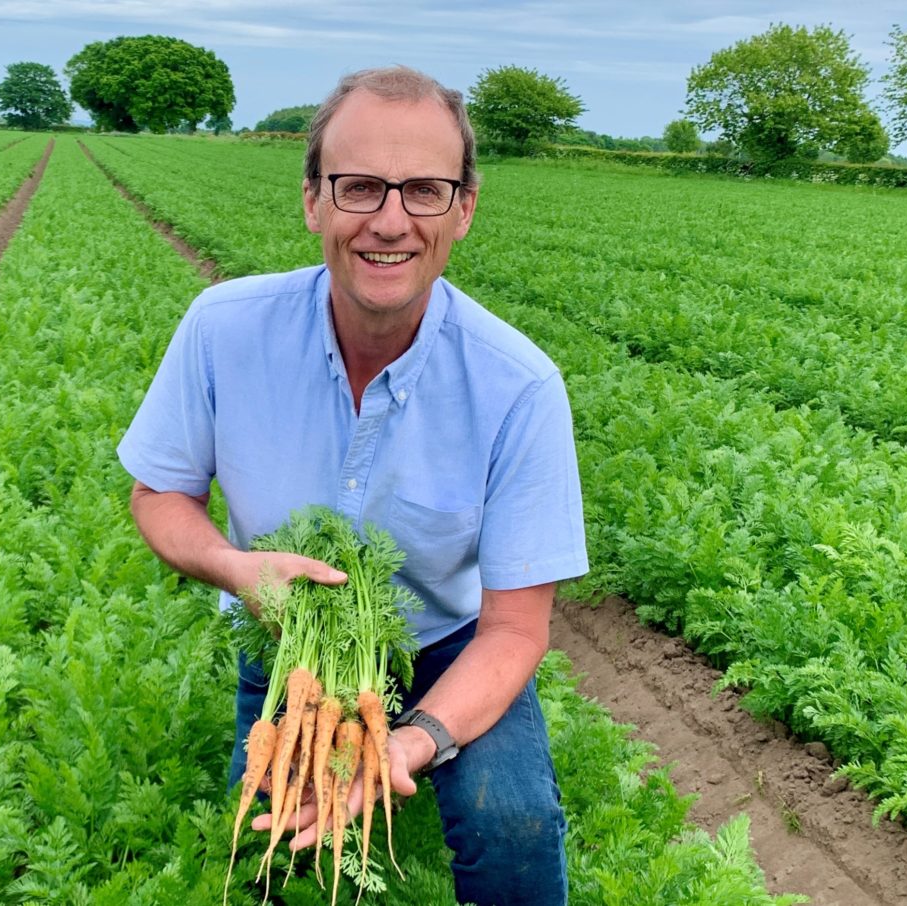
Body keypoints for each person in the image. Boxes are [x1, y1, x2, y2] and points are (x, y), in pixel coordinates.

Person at [116, 65, 588, 906]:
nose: (391, 221)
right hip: (290, 638)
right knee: (265, 840)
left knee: (509, 819)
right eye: (361, 187)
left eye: (425, 191)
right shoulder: (224, 329)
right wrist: (236, 570)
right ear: (313, 201)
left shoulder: (519, 386)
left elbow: (515, 631)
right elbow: (159, 494)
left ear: (464, 210)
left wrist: (410, 742)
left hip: (449, 643)